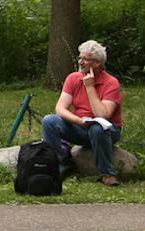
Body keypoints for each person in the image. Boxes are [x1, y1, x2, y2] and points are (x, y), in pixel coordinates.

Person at [41, 39, 123, 185]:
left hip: (107, 130)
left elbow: (102, 115)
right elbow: (60, 108)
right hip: (80, 125)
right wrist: (79, 121)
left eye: (85, 59)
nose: (80, 62)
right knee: (49, 121)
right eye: (80, 57)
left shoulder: (111, 83)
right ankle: (62, 163)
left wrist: (90, 87)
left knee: (97, 128)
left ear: (97, 63)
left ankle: (107, 174)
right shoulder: (73, 78)